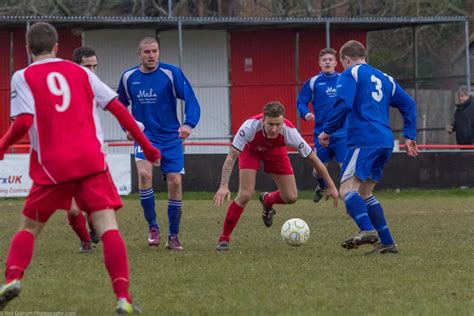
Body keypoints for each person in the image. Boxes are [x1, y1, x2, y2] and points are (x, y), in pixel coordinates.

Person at [0, 22, 161, 313]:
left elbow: (23, 122)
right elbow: (118, 108)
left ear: (27, 48)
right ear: (57, 47)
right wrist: (147, 146)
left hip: (52, 167)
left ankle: (12, 278)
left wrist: (1, 147)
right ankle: (122, 297)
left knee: (29, 228)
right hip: (90, 161)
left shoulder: (22, 76)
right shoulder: (82, 73)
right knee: (108, 227)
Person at [318, 40, 419, 254]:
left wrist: (327, 130)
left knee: (347, 190)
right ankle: (388, 242)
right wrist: (409, 134)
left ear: (345, 59)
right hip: (385, 140)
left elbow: (344, 103)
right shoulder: (385, 78)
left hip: (365, 139)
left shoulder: (350, 73)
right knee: (364, 193)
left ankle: (366, 230)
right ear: (364, 56)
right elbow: (409, 104)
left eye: (342, 62)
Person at [213, 101, 339, 252]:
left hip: (276, 152)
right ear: (263, 121)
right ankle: (224, 239)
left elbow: (313, 158)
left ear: (283, 122)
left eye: (278, 124)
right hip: (251, 151)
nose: (274, 129)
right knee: (245, 194)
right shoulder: (249, 127)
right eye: (270, 124)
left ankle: (267, 200)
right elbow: (231, 157)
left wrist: (331, 186)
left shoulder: (290, 131)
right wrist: (223, 185)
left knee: (291, 197)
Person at [117, 37, 201, 251]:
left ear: (159, 52)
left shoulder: (171, 73)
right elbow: (118, 104)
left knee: (174, 183)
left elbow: (190, 98)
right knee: (144, 176)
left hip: (171, 138)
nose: (151, 55)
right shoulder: (129, 77)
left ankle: (173, 236)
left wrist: (189, 124)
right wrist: (127, 128)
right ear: (139, 54)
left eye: (155, 51)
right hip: (144, 137)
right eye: (147, 52)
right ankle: (153, 227)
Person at [297, 48, 347, 203]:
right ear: (319, 63)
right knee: (318, 170)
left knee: (346, 169)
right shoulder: (313, 82)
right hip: (321, 133)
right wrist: (305, 113)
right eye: (324, 60)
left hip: (342, 132)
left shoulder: (343, 80)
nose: (327, 62)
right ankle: (321, 186)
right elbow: (301, 102)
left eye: (330, 59)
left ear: (335, 63)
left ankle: (350, 203)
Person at [64, 46, 101, 252]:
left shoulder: (96, 88)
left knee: (92, 204)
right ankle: (85, 241)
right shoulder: (61, 89)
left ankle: (93, 225)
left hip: (90, 153)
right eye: (88, 66)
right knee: (73, 208)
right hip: (65, 155)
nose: (93, 71)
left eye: (95, 66)